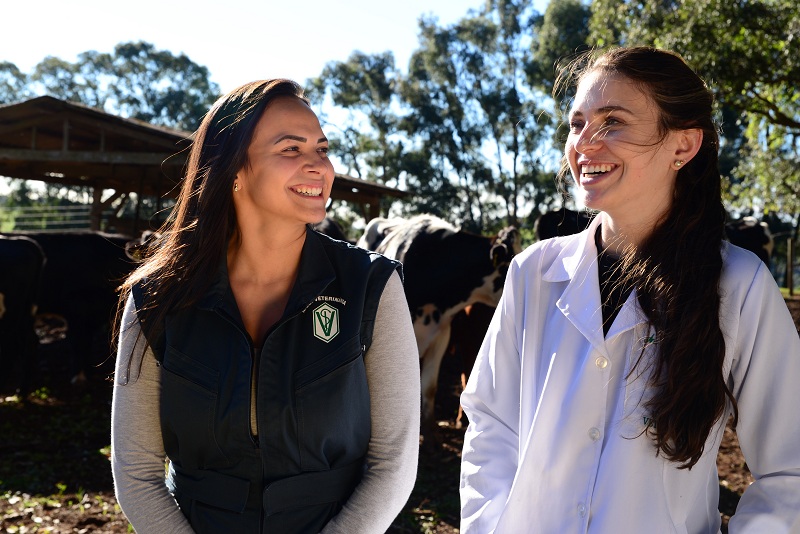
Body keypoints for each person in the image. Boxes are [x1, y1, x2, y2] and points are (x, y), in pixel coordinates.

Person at [459, 46, 800, 533]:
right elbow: (490, 425)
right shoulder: (532, 272)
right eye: (577, 123)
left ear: (683, 146)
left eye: (612, 122)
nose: (583, 143)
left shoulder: (740, 285)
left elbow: (790, 471)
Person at [111, 79, 420, 533]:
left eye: (322, 148)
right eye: (291, 149)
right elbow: (136, 473)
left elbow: (393, 463)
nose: (319, 166)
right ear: (234, 169)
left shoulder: (371, 286)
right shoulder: (157, 298)